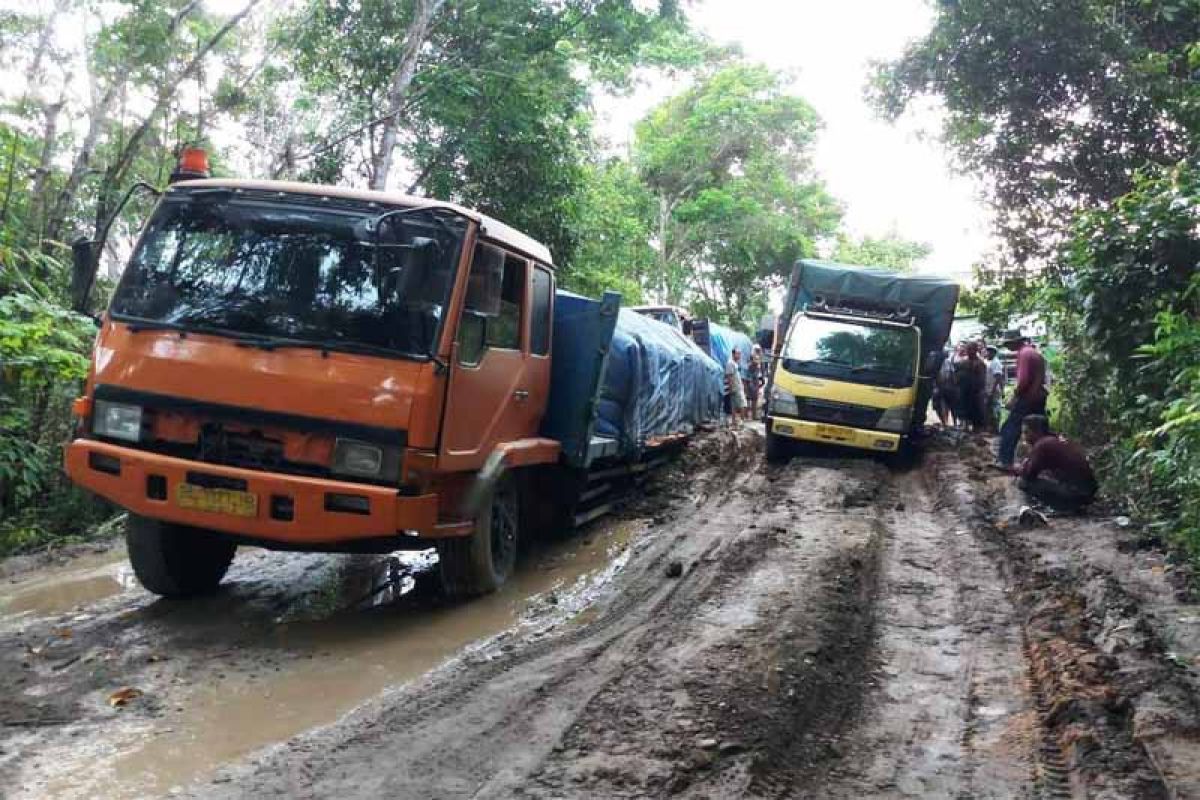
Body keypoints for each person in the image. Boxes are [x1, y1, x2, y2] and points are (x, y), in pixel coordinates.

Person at [1009, 415, 1097, 511]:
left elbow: (1028, 474)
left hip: (1076, 493)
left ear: (1037, 432)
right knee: (1045, 476)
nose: (1023, 437)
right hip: (1086, 492)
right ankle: (1069, 504)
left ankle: (1066, 507)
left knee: (1023, 482)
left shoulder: (1042, 445)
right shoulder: (1056, 440)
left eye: (1026, 432)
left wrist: (1017, 467)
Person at [996, 331, 1047, 467]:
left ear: (1014, 342)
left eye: (1008, 344)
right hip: (1039, 396)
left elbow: (1023, 381)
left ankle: (1004, 461)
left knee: (1009, 428)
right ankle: (1045, 462)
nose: (1007, 347)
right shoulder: (1034, 352)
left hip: (1028, 397)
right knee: (1040, 431)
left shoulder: (1023, 354)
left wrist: (1014, 397)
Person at [954, 341, 989, 432]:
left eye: (971, 349)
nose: (969, 351)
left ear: (975, 350)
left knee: (977, 414)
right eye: (967, 349)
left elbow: (982, 379)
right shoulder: (962, 362)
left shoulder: (980, 363)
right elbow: (956, 377)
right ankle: (965, 427)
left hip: (975, 393)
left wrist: (980, 390)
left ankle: (977, 431)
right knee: (964, 412)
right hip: (964, 392)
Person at [985, 344, 1005, 432]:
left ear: (993, 353)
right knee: (989, 409)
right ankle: (992, 427)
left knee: (995, 409)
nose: (987, 353)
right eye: (987, 351)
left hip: (994, 390)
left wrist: (994, 390)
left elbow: (998, 378)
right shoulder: (987, 362)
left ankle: (996, 428)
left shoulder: (996, 363)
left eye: (989, 352)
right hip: (988, 389)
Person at [725, 348, 747, 426]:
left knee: (734, 405)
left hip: (737, 386)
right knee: (742, 404)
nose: (739, 355)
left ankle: (734, 421)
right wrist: (731, 388)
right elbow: (729, 377)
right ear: (733, 354)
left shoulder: (734, 363)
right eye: (738, 353)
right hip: (736, 387)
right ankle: (741, 421)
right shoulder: (730, 363)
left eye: (740, 353)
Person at [746, 345, 764, 419]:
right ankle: (748, 415)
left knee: (754, 399)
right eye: (757, 350)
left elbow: (759, 371)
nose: (758, 351)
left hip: (755, 381)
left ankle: (753, 415)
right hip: (751, 381)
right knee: (749, 399)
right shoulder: (752, 361)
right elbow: (752, 367)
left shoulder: (758, 359)